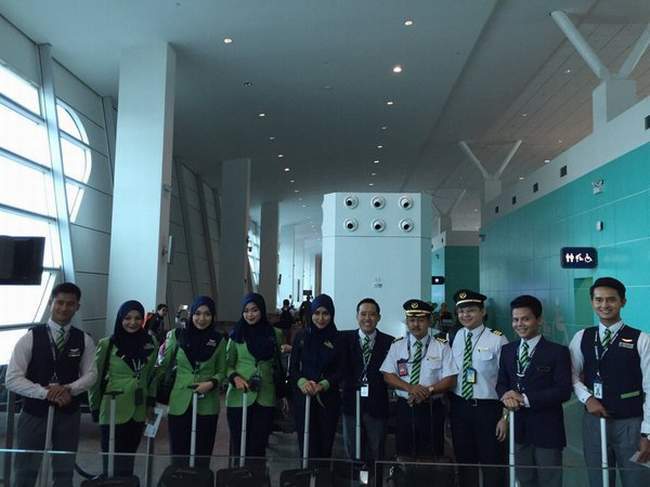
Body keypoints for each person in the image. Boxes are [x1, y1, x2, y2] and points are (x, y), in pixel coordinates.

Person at [6, 282, 97, 487]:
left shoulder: (84, 340)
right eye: (60, 302)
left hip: (68, 413)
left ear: (77, 307)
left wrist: (68, 389)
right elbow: (12, 378)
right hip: (34, 413)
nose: (64, 308)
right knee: (25, 471)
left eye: (70, 304)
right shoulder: (30, 337)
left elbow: (91, 375)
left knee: (64, 472)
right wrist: (44, 393)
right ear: (50, 303)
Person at [569, 277, 650, 486]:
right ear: (592, 302)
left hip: (632, 424)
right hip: (594, 422)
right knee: (598, 479)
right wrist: (587, 399)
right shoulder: (582, 337)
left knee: (636, 479)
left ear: (623, 302)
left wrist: (647, 433)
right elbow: (571, 375)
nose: (604, 305)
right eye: (599, 300)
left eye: (611, 299)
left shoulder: (641, 339)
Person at [496, 295, 572, 487]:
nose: (519, 324)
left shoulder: (557, 352)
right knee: (525, 480)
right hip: (518, 428)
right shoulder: (507, 350)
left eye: (526, 319)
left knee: (549, 481)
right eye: (515, 319)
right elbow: (501, 383)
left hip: (547, 429)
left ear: (539, 320)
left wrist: (524, 399)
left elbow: (563, 391)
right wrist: (506, 397)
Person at [89, 300, 159, 477]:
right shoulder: (108, 344)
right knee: (111, 461)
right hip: (113, 407)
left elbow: (152, 376)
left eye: (137, 318)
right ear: (120, 319)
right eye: (127, 318)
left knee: (129, 457)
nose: (132, 322)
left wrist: (150, 402)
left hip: (138, 409)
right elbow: (95, 379)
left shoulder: (150, 343)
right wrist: (94, 407)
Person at [380, 299, 457, 460]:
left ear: (429, 321)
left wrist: (427, 391)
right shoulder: (397, 345)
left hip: (431, 408)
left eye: (421, 320)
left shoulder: (442, 346)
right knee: (404, 453)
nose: (416, 325)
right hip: (405, 407)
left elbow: (450, 379)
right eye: (412, 320)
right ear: (407, 321)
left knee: (432, 455)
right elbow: (388, 374)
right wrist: (411, 388)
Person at [157, 296, 227, 467]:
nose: (202, 319)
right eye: (197, 313)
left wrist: (211, 383)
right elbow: (164, 365)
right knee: (179, 453)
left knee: (202, 454)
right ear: (191, 315)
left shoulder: (219, 340)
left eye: (207, 314)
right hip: (180, 401)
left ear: (213, 316)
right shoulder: (177, 335)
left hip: (207, 404)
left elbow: (222, 371)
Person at [449, 289, 508, 487]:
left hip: (488, 409)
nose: (465, 315)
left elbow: (507, 379)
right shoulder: (456, 336)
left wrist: (505, 416)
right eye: (461, 311)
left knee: (492, 461)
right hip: (460, 407)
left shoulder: (497, 339)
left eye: (471, 310)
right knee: (465, 460)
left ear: (483, 312)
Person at [226, 293, 284, 465]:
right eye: (246, 311)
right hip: (239, 396)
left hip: (265, 395)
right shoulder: (236, 334)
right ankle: (238, 476)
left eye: (254, 310)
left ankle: (257, 476)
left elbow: (278, 364)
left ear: (262, 310)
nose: (250, 315)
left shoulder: (275, 333)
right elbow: (226, 364)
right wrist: (234, 377)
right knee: (239, 446)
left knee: (258, 447)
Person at [289, 294, 344, 460]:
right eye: (317, 313)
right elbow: (293, 368)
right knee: (306, 443)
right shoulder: (301, 337)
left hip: (328, 399)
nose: (321, 318)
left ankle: (323, 474)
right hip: (304, 397)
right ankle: (305, 473)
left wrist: (323, 385)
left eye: (325, 313)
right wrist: (302, 382)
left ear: (332, 314)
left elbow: (341, 370)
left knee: (325, 443)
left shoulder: (338, 339)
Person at [341, 298, 394, 469]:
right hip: (351, 404)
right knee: (352, 452)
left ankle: (374, 479)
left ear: (379, 317)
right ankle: (354, 479)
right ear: (357, 316)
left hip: (377, 405)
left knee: (377, 453)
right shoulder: (344, 339)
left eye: (372, 314)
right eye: (363, 314)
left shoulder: (390, 342)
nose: (367, 318)